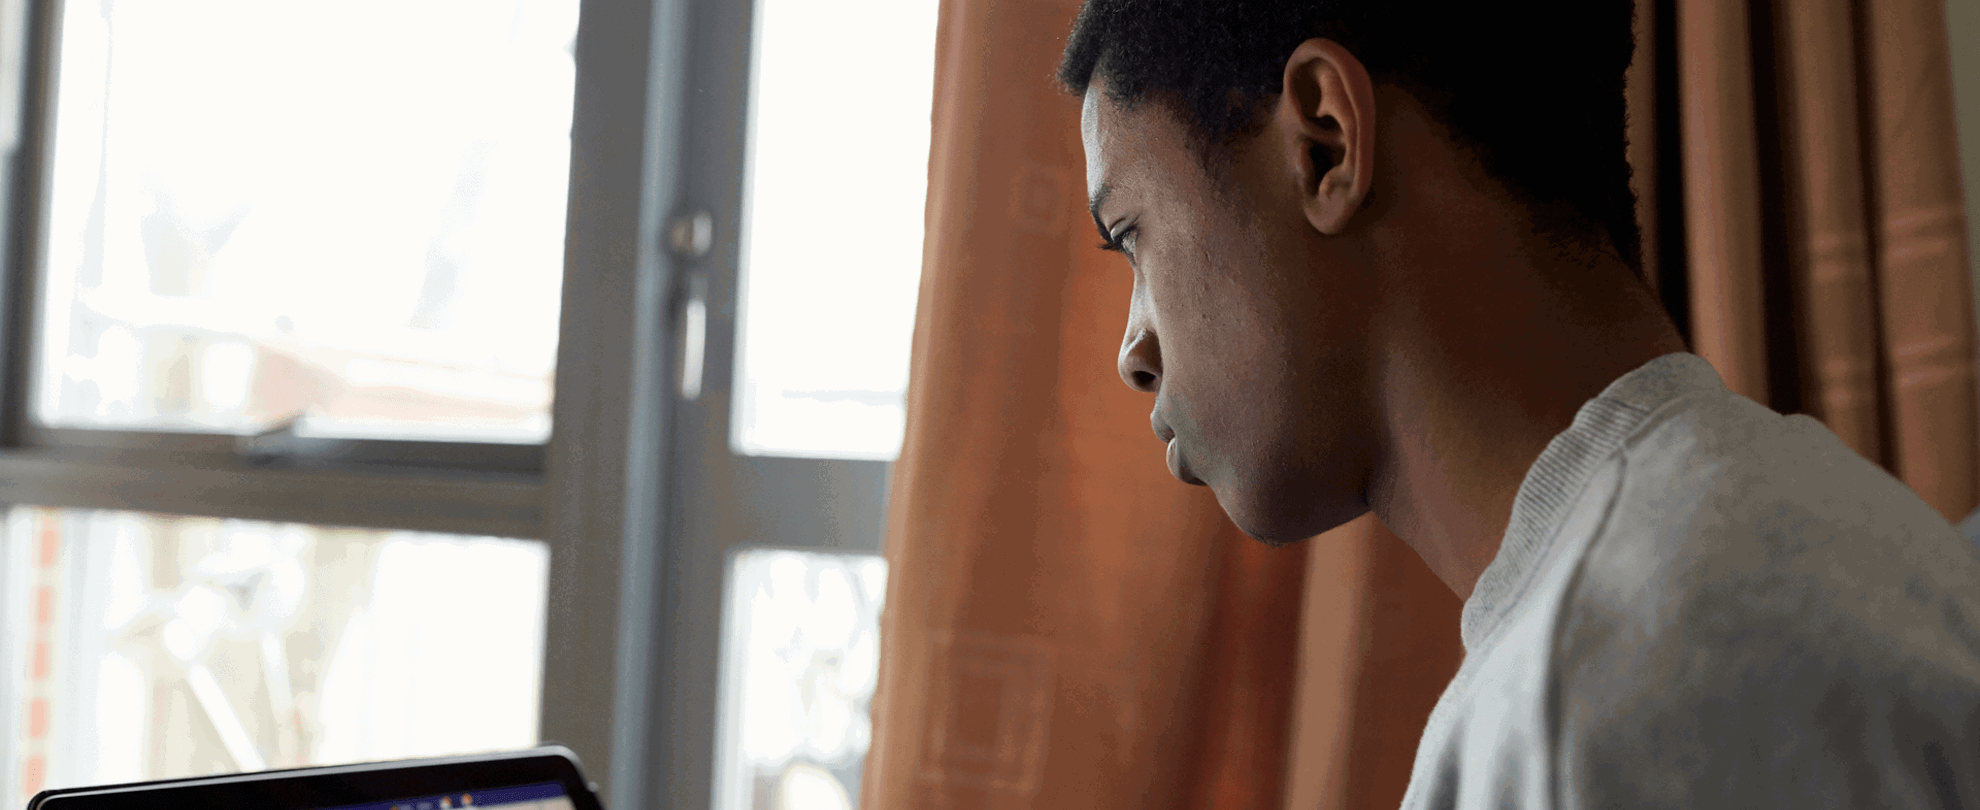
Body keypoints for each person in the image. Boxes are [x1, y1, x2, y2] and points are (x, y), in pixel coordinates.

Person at [1057, 1, 1980, 807]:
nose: (1133, 353)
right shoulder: (1799, 531)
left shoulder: (1609, 690)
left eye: (1132, 236)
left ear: (1324, 141)